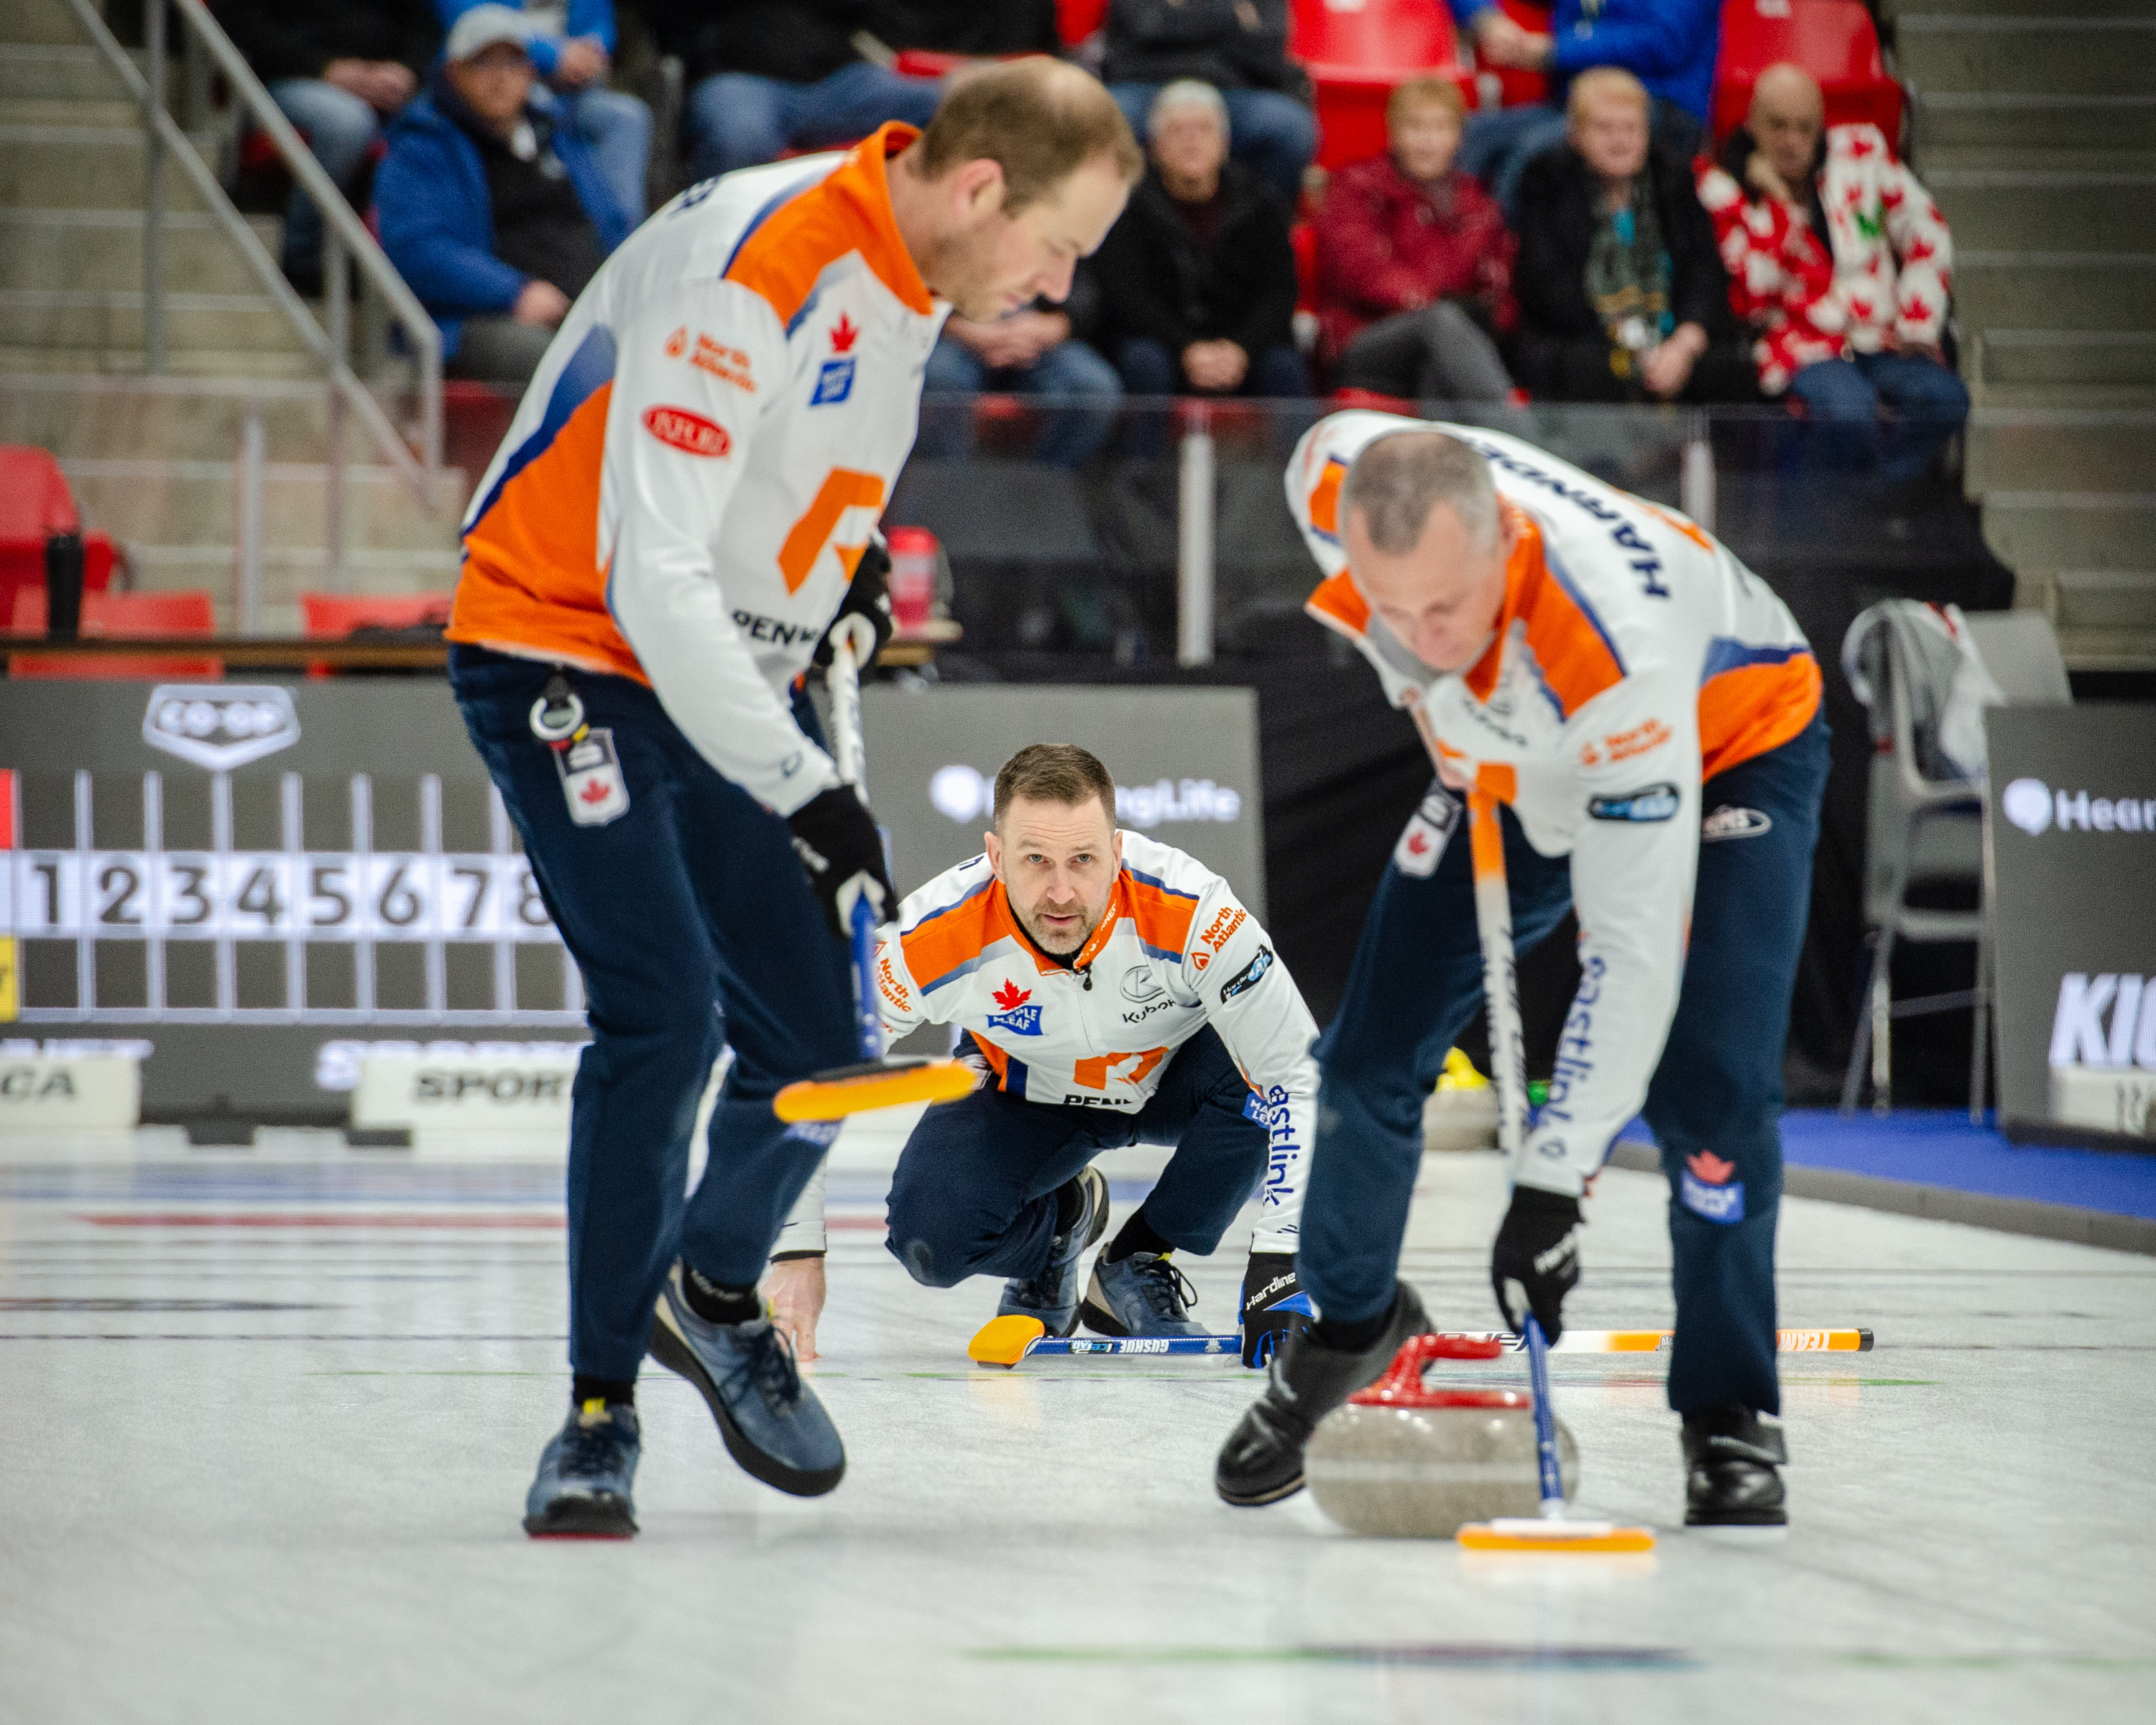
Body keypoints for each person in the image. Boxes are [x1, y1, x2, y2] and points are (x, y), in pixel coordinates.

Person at [441, 59, 1141, 1537]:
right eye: (1059, 244)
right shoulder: (762, 264)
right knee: (663, 1017)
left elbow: (794, 480)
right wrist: (811, 795)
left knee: (818, 1046)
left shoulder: (908, 275)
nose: (1060, 279)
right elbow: (654, 568)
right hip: (568, 643)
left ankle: (713, 1293)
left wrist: (847, 572)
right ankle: (596, 1415)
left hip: (719, 666)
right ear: (977, 192)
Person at [1217, 411, 1830, 1526]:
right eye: (1388, 612)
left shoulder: (1617, 652)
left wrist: (1553, 1182)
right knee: (1363, 1060)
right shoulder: (1325, 477)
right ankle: (1352, 1327)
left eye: (1443, 608)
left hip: (1730, 736)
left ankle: (1731, 1410)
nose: (1420, 637)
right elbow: (1422, 615)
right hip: (1507, 751)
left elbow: (1630, 954)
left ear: (1502, 535)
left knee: (1715, 1090)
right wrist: (1462, 704)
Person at [762, 744, 1319, 1367]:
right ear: (996, 856)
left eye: (1083, 860)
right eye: (1035, 860)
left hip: (1176, 1080)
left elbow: (1296, 1075)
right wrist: (795, 1252)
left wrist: (1279, 1259)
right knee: (929, 1241)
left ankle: (1139, 1257)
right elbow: (812, 1082)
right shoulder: (931, 934)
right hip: (1026, 1095)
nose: (1061, 891)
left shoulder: (1197, 913)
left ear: (1117, 850)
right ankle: (1065, 1222)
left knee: (1261, 1071)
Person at [1697, 64, 1967, 488]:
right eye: (1777, 126)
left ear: (1822, 127)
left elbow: (1927, 230)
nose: (1791, 141)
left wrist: (1919, 319)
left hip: (1880, 335)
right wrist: (1780, 203)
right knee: (1848, 412)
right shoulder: (1722, 187)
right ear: (1751, 123)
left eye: (1805, 129)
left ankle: (1872, 500)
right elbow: (1752, 296)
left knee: (1946, 399)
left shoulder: (1863, 153)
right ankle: (1829, 520)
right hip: (1794, 343)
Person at [377, 7, 635, 387]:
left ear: (531, 73)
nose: (500, 78)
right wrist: (515, 292)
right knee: (565, 370)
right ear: (452, 71)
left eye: (513, 62)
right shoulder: (421, 144)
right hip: (478, 317)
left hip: (583, 306)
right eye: (483, 62)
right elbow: (419, 249)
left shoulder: (556, 136)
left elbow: (610, 220)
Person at [1511, 68, 1755, 405]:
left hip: (1673, 345)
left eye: (1631, 128)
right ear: (1576, 135)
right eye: (1604, 128)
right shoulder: (1547, 184)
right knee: (1579, 368)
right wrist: (1631, 347)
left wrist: (1683, 346)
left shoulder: (1674, 182)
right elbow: (1546, 287)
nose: (1620, 140)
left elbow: (1706, 274)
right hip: (1591, 341)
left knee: (1734, 367)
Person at [1091, 80, 1307, 426]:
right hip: (1163, 344)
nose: (1191, 140)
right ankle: (1141, 476)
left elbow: (1279, 293)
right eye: (1177, 130)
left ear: (1224, 144)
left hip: (1240, 347)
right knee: (1143, 361)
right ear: (1155, 147)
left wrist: (1240, 349)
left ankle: (1293, 474)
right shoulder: (1127, 206)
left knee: (1283, 366)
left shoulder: (1260, 203)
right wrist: (1187, 349)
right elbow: (1127, 298)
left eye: (1204, 129)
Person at [1315, 76, 1519, 405]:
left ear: (1459, 137)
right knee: (1440, 324)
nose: (1428, 140)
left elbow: (1502, 288)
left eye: (1440, 128)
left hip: (1453, 345)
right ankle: (1522, 443)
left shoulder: (1479, 203)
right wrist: (1439, 304)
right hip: (1367, 339)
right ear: (1393, 132)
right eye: (1415, 127)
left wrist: (1488, 314)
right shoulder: (1356, 188)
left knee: (1441, 364)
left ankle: (1450, 456)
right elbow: (1361, 271)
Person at [215, 0, 438, 293]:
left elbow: (422, 23)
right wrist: (326, 69)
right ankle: (301, 256)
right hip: (288, 77)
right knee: (347, 123)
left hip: (385, 81)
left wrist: (407, 71)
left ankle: (416, 266)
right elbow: (241, 23)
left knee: (441, 121)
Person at [1447, 0, 1719, 217]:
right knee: (1469, 138)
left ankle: (1498, 271)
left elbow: (1664, 41)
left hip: (1656, 105)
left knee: (1533, 154)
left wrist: (1556, 51)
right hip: (1573, 106)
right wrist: (1486, 20)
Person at [653, 0, 943, 184]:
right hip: (740, 81)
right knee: (740, 136)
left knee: (948, 102)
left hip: (836, 83)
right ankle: (716, 247)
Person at [433, 0, 654, 222]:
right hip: (527, 85)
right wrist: (555, 56)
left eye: (511, 64)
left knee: (627, 117)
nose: (501, 77)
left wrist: (589, 53)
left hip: (573, 90)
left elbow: (600, 22)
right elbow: (466, 17)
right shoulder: (424, 136)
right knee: (543, 106)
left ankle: (624, 236)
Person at [1102, 0, 1314, 208]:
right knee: (1099, 123)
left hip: (1233, 90)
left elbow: (1267, 54)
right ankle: (1115, 232)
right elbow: (1137, 33)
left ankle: (1262, 232)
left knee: (1290, 128)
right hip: (1145, 85)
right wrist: (1230, 15)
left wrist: (1173, 20)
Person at [915, 273, 1124, 468]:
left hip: (1041, 334)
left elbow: (1085, 290)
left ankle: (1047, 491)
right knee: (936, 377)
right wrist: (962, 328)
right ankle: (950, 491)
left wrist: (1056, 325)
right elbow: (919, 282)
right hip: (957, 330)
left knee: (1094, 388)